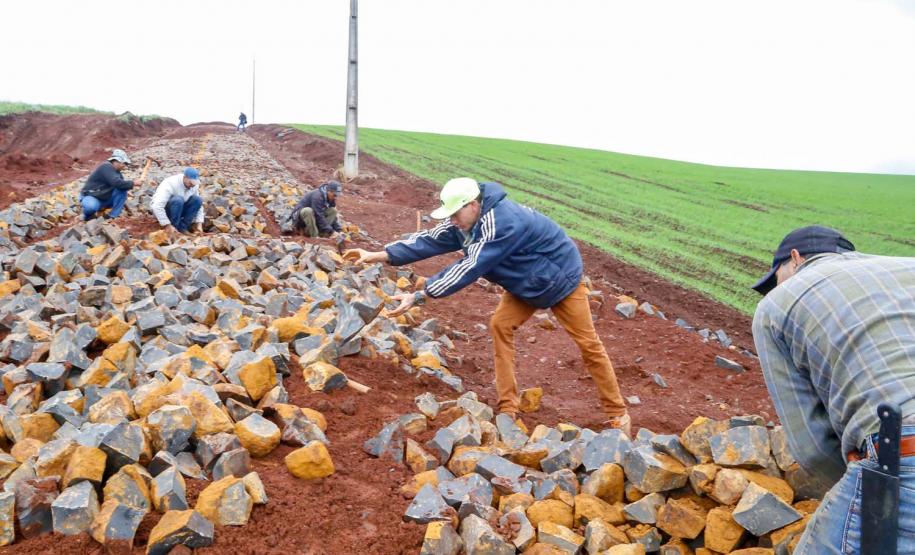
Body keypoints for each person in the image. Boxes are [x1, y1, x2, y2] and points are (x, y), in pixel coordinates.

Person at [344, 177, 630, 433]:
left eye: (455, 214)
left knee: (589, 344)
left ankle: (618, 414)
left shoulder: (501, 222)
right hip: (525, 283)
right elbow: (428, 240)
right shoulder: (464, 221)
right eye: (451, 215)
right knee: (500, 326)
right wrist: (376, 254)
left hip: (561, 278)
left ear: (472, 205)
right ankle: (508, 407)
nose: (453, 220)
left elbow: (470, 266)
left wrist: (420, 295)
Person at [751, 225, 915, 553]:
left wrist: (857, 476)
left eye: (776, 276)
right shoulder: (906, 265)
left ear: (795, 259)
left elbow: (812, 447)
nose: (775, 287)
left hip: (904, 454)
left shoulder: (775, 307)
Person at [79, 149, 135, 221]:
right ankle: (88, 217)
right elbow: (117, 183)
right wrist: (134, 183)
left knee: (122, 189)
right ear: (116, 161)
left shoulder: (117, 173)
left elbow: (122, 188)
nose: (124, 166)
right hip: (92, 196)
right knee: (91, 207)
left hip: (104, 198)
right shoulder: (106, 166)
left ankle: (112, 216)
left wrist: (128, 210)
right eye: (124, 163)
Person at [150, 167, 204, 234]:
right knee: (178, 200)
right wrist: (167, 224)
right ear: (184, 177)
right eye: (191, 183)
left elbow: (199, 206)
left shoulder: (194, 185)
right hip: (166, 211)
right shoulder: (170, 183)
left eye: (194, 183)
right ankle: (173, 227)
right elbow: (156, 206)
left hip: (179, 210)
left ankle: (182, 227)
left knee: (197, 200)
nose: (192, 185)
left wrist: (199, 224)